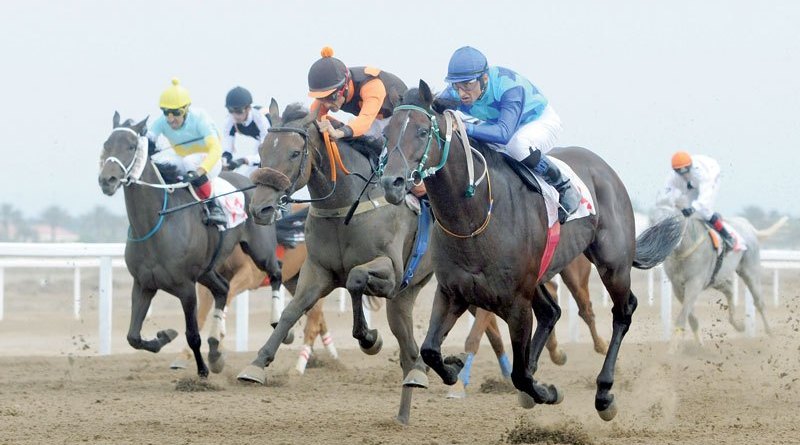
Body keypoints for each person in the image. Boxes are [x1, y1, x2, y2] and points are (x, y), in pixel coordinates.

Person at [435, 46, 580, 219]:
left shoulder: (509, 88)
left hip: (538, 121)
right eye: (456, 86)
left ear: (485, 78)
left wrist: (465, 127)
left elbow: (504, 134)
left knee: (518, 145)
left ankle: (563, 186)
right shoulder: (454, 93)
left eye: (467, 85)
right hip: (498, 124)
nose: (461, 93)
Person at [147, 78, 227, 226]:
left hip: (210, 161)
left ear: (185, 109)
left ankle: (214, 207)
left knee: (188, 161)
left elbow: (216, 150)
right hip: (185, 159)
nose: (170, 119)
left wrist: (200, 171)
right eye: (166, 112)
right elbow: (147, 140)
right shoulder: (161, 122)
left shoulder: (200, 118)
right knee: (162, 163)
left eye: (175, 113)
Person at [307, 46, 407, 141]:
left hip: (399, 117)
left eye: (332, 97)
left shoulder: (371, 85)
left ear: (345, 86)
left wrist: (339, 132)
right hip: (370, 120)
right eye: (321, 98)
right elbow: (312, 118)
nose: (326, 104)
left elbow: (366, 119)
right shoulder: (330, 94)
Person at [661, 151, 734, 248]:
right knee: (688, 208)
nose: (684, 174)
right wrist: (674, 203)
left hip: (711, 175)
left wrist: (693, 208)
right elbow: (668, 193)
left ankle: (727, 236)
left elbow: (705, 196)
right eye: (680, 172)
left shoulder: (700, 172)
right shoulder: (672, 177)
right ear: (675, 171)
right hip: (692, 183)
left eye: (686, 171)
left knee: (705, 211)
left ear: (690, 166)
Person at [222, 86, 270, 177]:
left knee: (255, 172)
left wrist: (243, 160)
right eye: (230, 110)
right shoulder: (229, 120)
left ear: (248, 108)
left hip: (277, 141)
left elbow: (265, 154)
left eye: (239, 111)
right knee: (248, 177)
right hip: (261, 139)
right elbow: (227, 150)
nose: (234, 115)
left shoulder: (260, 118)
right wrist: (224, 161)